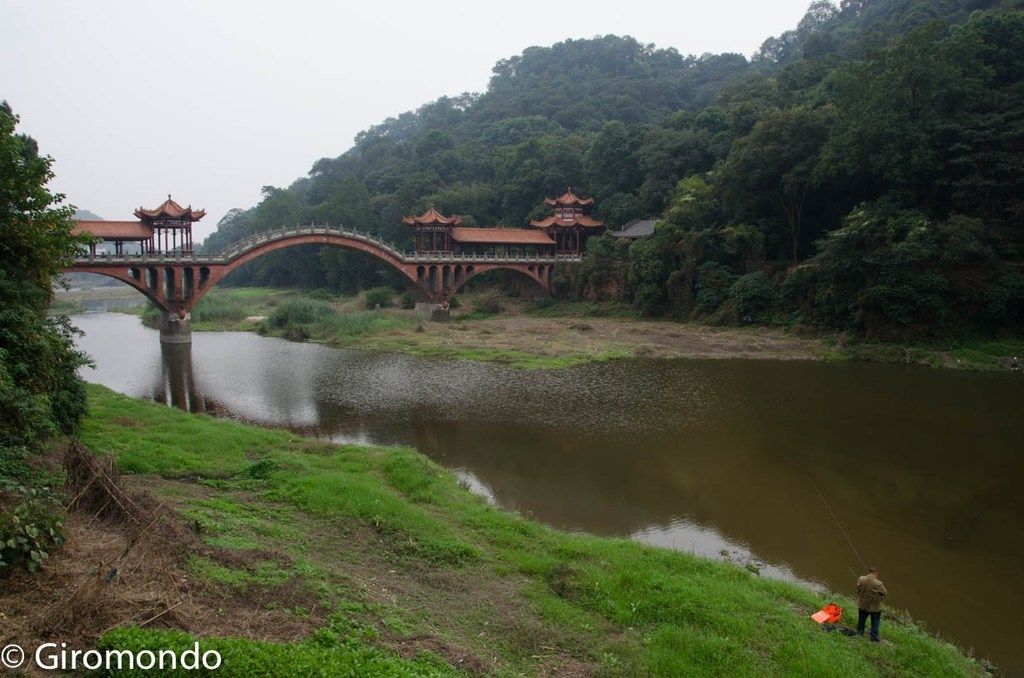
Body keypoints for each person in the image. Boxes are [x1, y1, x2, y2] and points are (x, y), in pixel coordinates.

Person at [856, 566, 888, 642]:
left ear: (868, 572)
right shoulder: (879, 583)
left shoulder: (861, 579)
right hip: (874, 607)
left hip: (863, 605)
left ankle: (860, 632)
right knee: (875, 621)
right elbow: (884, 593)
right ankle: (873, 637)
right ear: (876, 573)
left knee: (861, 619)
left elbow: (858, 586)